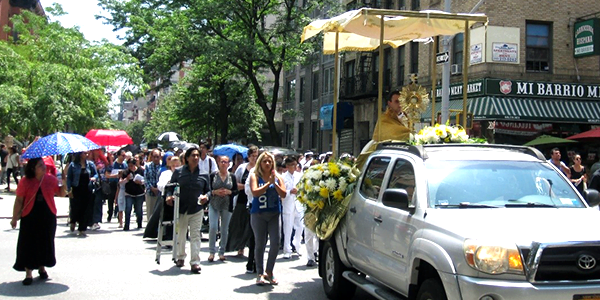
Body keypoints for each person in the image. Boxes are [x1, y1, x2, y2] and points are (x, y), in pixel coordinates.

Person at [10, 157, 66, 285]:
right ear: (33, 168)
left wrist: (64, 180)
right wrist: (14, 218)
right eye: (40, 165)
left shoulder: (50, 179)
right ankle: (28, 272)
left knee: (45, 241)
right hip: (30, 216)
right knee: (28, 243)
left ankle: (42, 267)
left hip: (47, 215)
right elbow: (19, 200)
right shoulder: (25, 181)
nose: (43, 167)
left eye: (43, 164)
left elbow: (62, 194)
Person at [165, 147, 211, 274]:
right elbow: (170, 187)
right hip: (181, 209)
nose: (196, 158)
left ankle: (195, 262)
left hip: (197, 209)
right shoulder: (179, 172)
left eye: (197, 155)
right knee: (181, 234)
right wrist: (169, 195)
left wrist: (206, 197)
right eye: (193, 156)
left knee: (195, 235)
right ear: (187, 158)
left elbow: (208, 190)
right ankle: (180, 257)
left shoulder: (204, 173)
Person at [249, 151, 286, 285]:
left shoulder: (278, 177)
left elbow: (284, 194)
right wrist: (267, 183)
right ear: (260, 163)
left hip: (274, 214)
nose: (267, 163)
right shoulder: (255, 176)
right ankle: (260, 273)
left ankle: (269, 271)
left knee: (276, 242)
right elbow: (255, 192)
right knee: (260, 243)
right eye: (264, 161)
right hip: (258, 214)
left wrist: (274, 183)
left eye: (270, 161)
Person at [356, 91, 411, 169]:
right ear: (389, 103)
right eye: (396, 101)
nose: (399, 105)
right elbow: (392, 134)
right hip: (383, 160)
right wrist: (410, 135)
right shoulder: (384, 119)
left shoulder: (407, 118)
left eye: (401, 101)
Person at [226, 145, 258, 273]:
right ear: (248, 156)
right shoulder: (242, 168)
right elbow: (235, 182)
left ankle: (248, 247)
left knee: (249, 227)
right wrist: (246, 186)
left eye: (256, 156)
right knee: (238, 224)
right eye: (253, 156)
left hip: (252, 200)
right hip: (241, 199)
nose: (254, 159)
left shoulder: (258, 169)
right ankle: (239, 247)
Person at [208, 155, 239, 262]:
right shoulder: (213, 175)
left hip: (227, 204)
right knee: (213, 227)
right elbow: (207, 189)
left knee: (224, 229)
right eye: (222, 162)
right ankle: (212, 252)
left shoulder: (232, 176)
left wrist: (229, 192)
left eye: (226, 162)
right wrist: (214, 192)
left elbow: (236, 190)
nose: (223, 164)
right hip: (214, 203)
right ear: (218, 163)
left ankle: (222, 252)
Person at [66, 152, 98, 236]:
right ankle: (73, 221)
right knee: (75, 208)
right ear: (80, 155)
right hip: (76, 189)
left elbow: (96, 174)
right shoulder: (73, 165)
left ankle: (82, 228)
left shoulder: (90, 164)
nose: (87, 155)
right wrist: (68, 189)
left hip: (87, 189)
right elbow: (69, 178)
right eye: (85, 153)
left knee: (85, 209)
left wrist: (94, 178)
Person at [282, 156, 303, 259]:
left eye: (295, 165)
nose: (294, 167)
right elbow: (281, 193)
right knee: (288, 228)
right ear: (287, 166)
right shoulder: (282, 177)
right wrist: (289, 192)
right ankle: (287, 249)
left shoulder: (299, 175)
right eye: (292, 165)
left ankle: (297, 246)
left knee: (300, 227)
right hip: (288, 204)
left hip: (298, 204)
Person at [121, 158, 145, 231]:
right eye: (129, 166)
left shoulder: (141, 171)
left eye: (132, 165)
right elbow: (121, 182)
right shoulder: (126, 172)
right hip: (129, 194)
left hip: (139, 193)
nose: (131, 167)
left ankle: (139, 224)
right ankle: (126, 225)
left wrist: (140, 182)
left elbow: (145, 180)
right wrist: (127, 179)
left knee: (139, 210)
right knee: (128, 209)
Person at [107, 150, 127, 223]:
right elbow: (107, 175)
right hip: (113, 184)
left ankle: (119, 216)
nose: (124, 157)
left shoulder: (125, 165)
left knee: (120, 200)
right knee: (111, 200)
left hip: (121, 185)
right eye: (123, 155)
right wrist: (116, 176)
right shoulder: (112, 164)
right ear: (118, 156)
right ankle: (110, 214)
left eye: (125, 155)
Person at [144, 149, 162, 221]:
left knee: (160, 214)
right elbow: (146, 179)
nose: (156, 159)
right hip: (150, 193)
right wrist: (152, 188)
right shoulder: (147, 166)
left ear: (160, 157)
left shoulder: (163, 166)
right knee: (150, 214)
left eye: (157, 157)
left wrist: (158, 189)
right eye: (154, 157)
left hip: (160, 193)